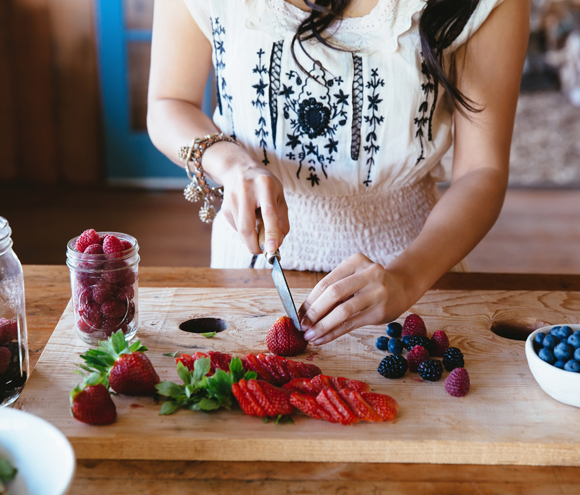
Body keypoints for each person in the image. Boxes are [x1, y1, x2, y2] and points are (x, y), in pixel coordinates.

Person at [147, 0, 529, 345]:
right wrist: (231, 163)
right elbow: (169, 103)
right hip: (248, 269)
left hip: (418, 275)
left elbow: (482, 169)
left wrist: (406, 278)